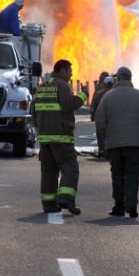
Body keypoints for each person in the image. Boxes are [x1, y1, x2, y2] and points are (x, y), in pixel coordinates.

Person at [95, 67, 139, 218]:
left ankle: (119, 207)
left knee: (117, 175)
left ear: (117, 79)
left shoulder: (108, 97)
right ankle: (132, 207)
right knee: (132, 175)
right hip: (135, 144)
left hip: (114, 145)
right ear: (130, 78)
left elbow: (100, 121)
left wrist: (103, 142)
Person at [32, 59, 88, 214]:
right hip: (61, 136)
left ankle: (49, 204)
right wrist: (83, 95)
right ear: (62, 71)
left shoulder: (43, 86)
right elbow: (68, 105)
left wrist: (40, 127)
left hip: (45, 137)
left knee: (49, 172)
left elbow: (34, 110)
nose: (71, 74)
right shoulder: (62, 86)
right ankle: (66, 198)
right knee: (70, 167)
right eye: (70, 71)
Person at [90, 75, 114, 157]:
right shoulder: (115, 93)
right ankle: (110, 151)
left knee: (101, 135)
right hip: (112, 119)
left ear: (104, 84)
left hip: (100, 119)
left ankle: (102, 151)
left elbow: (94, 106)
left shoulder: (99, 94)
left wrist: (92, 116)